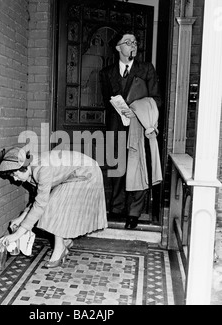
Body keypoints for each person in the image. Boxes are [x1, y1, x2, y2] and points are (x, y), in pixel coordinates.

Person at [0, 147, 108, 268]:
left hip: (87, 172)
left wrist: (16, 235)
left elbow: (40, 204)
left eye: (15, 174)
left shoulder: (42, 169)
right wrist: (21, 218)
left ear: (23, 166)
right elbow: (38, 198)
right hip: (75, 174)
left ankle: (60, 249)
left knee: (53, 205)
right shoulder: (30, 168)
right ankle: (63, 241)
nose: (14, 179)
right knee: (52, 204)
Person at [99, 30, 162, 229]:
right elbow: (106, 101)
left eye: (135, 42)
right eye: (128, 42)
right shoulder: (106, 73)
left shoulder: (146, 69)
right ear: (118, 47)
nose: (133, 45)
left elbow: (157, 99)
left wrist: (137, 111)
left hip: (139, 126)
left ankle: (134, 213)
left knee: (137, 168)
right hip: (116, 126)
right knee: (117, 167)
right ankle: (116, 209)